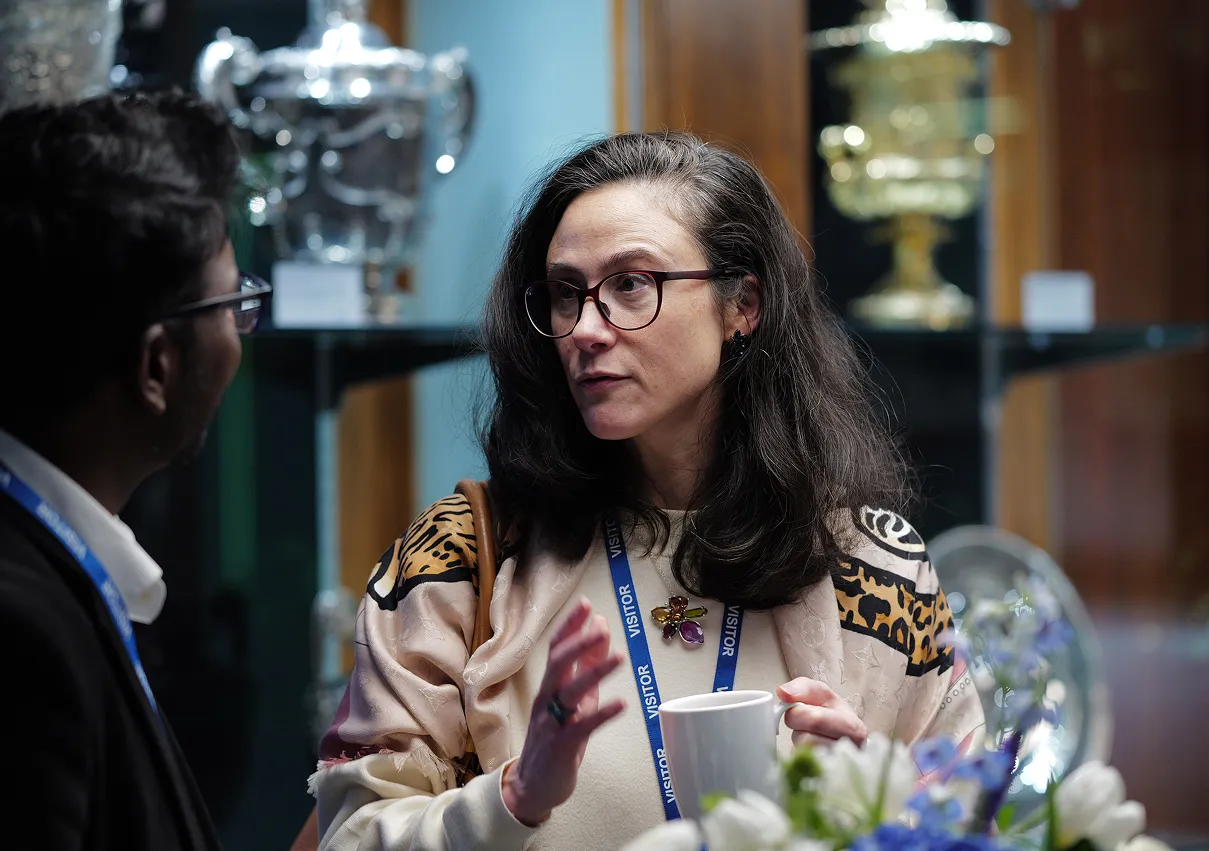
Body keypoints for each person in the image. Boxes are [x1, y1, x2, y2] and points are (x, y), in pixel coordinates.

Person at [309, 132, 984, 850]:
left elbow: (978, 822)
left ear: (742, 305)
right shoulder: (461, 557)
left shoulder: (874, 566)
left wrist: (872, 813)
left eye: (632, 284)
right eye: (566, 294)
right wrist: (516, 794)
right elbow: (349, 832)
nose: (586, 330)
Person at [0, 91, 270, 850]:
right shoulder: (23, 631)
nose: (241, 331)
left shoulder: (51, 570)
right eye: (232, 304)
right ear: (157, 363)